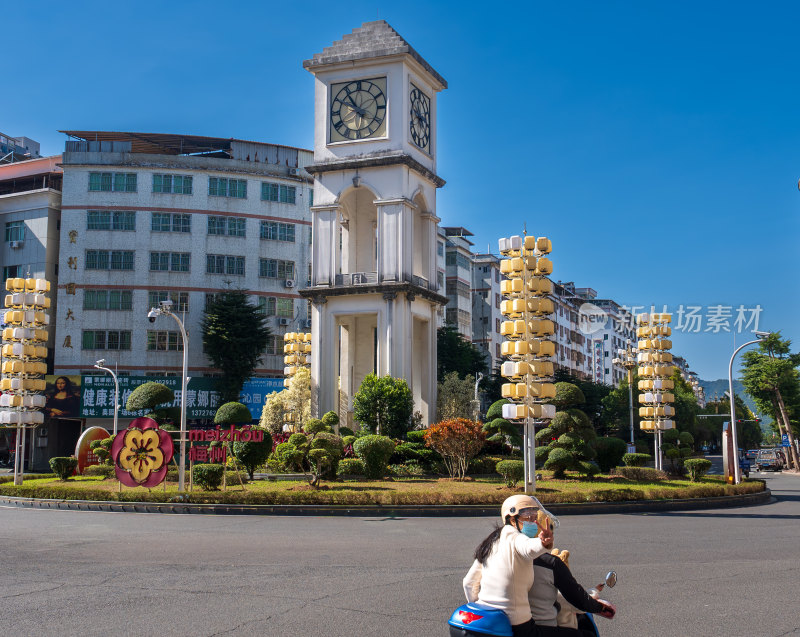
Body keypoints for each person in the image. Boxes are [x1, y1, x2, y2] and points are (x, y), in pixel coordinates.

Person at [462, 495, 555, 637]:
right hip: (516, 622)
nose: (532, 521)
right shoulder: (516, 537)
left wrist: (478, 608)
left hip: (486, 620)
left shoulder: (491, 542)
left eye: (534, 516)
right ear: (512, 519)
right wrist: (543, 543)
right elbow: (528, 548)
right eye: (526, 516)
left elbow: (468, 582)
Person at [529, 545, 616, 636]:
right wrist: (600, 605)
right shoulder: (561, 594)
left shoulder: (529, 570)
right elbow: (582, 601)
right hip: (552, 627)